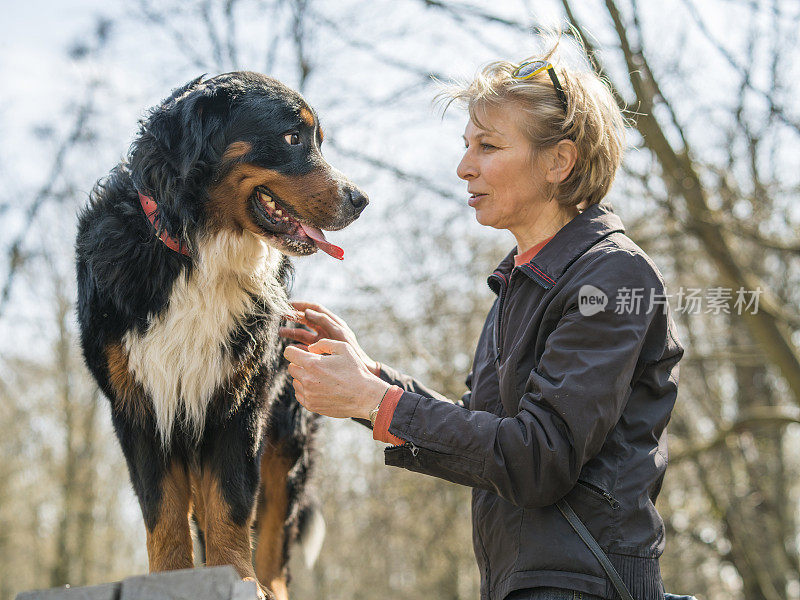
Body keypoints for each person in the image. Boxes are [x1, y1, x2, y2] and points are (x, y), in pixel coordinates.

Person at [281, 49, 684, 600]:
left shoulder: (612, 277)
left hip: (586, 585)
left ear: (558, 161)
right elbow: (483, 434)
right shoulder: (522, 283)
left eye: (488, 146)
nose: (464, 167)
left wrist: (374, 399)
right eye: (466, 146)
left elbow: (537, 458)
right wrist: (368, 376)